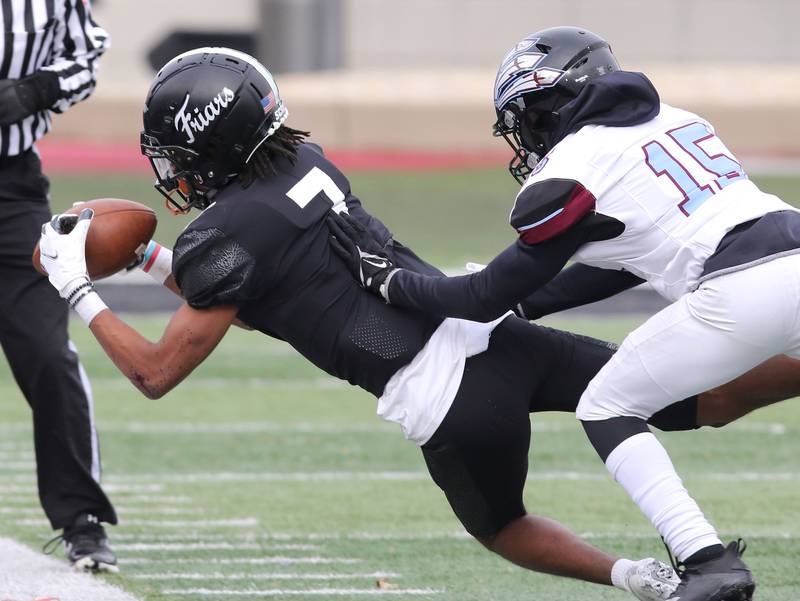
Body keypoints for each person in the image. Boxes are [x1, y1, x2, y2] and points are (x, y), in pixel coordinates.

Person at [36, 47, 795, 600]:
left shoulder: (223, 242)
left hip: (446, 396)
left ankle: (649, 578)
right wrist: (149, 260)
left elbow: (156, 371)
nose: (173, 171)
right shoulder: (308, 165)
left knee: (501, 526)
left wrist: (79, 286)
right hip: (501, 340)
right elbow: (259, 287)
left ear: (210, 141)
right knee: (697, 399)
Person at [327, 25, 800, 601]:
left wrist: (396, 283)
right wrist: (529, 301)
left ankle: (706, 561)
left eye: (522, 117)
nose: (522, 137)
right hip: (786, 248)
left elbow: (481, 298)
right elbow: (627, 257)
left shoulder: (578, 163)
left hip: (740, 284)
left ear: (550, 101)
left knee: (607, 404)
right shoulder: (675, 119)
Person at [0, 0, 116, 571]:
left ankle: (81, 520)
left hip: (11, 187)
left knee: (47, 352)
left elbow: (88, 54)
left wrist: (39, 88)